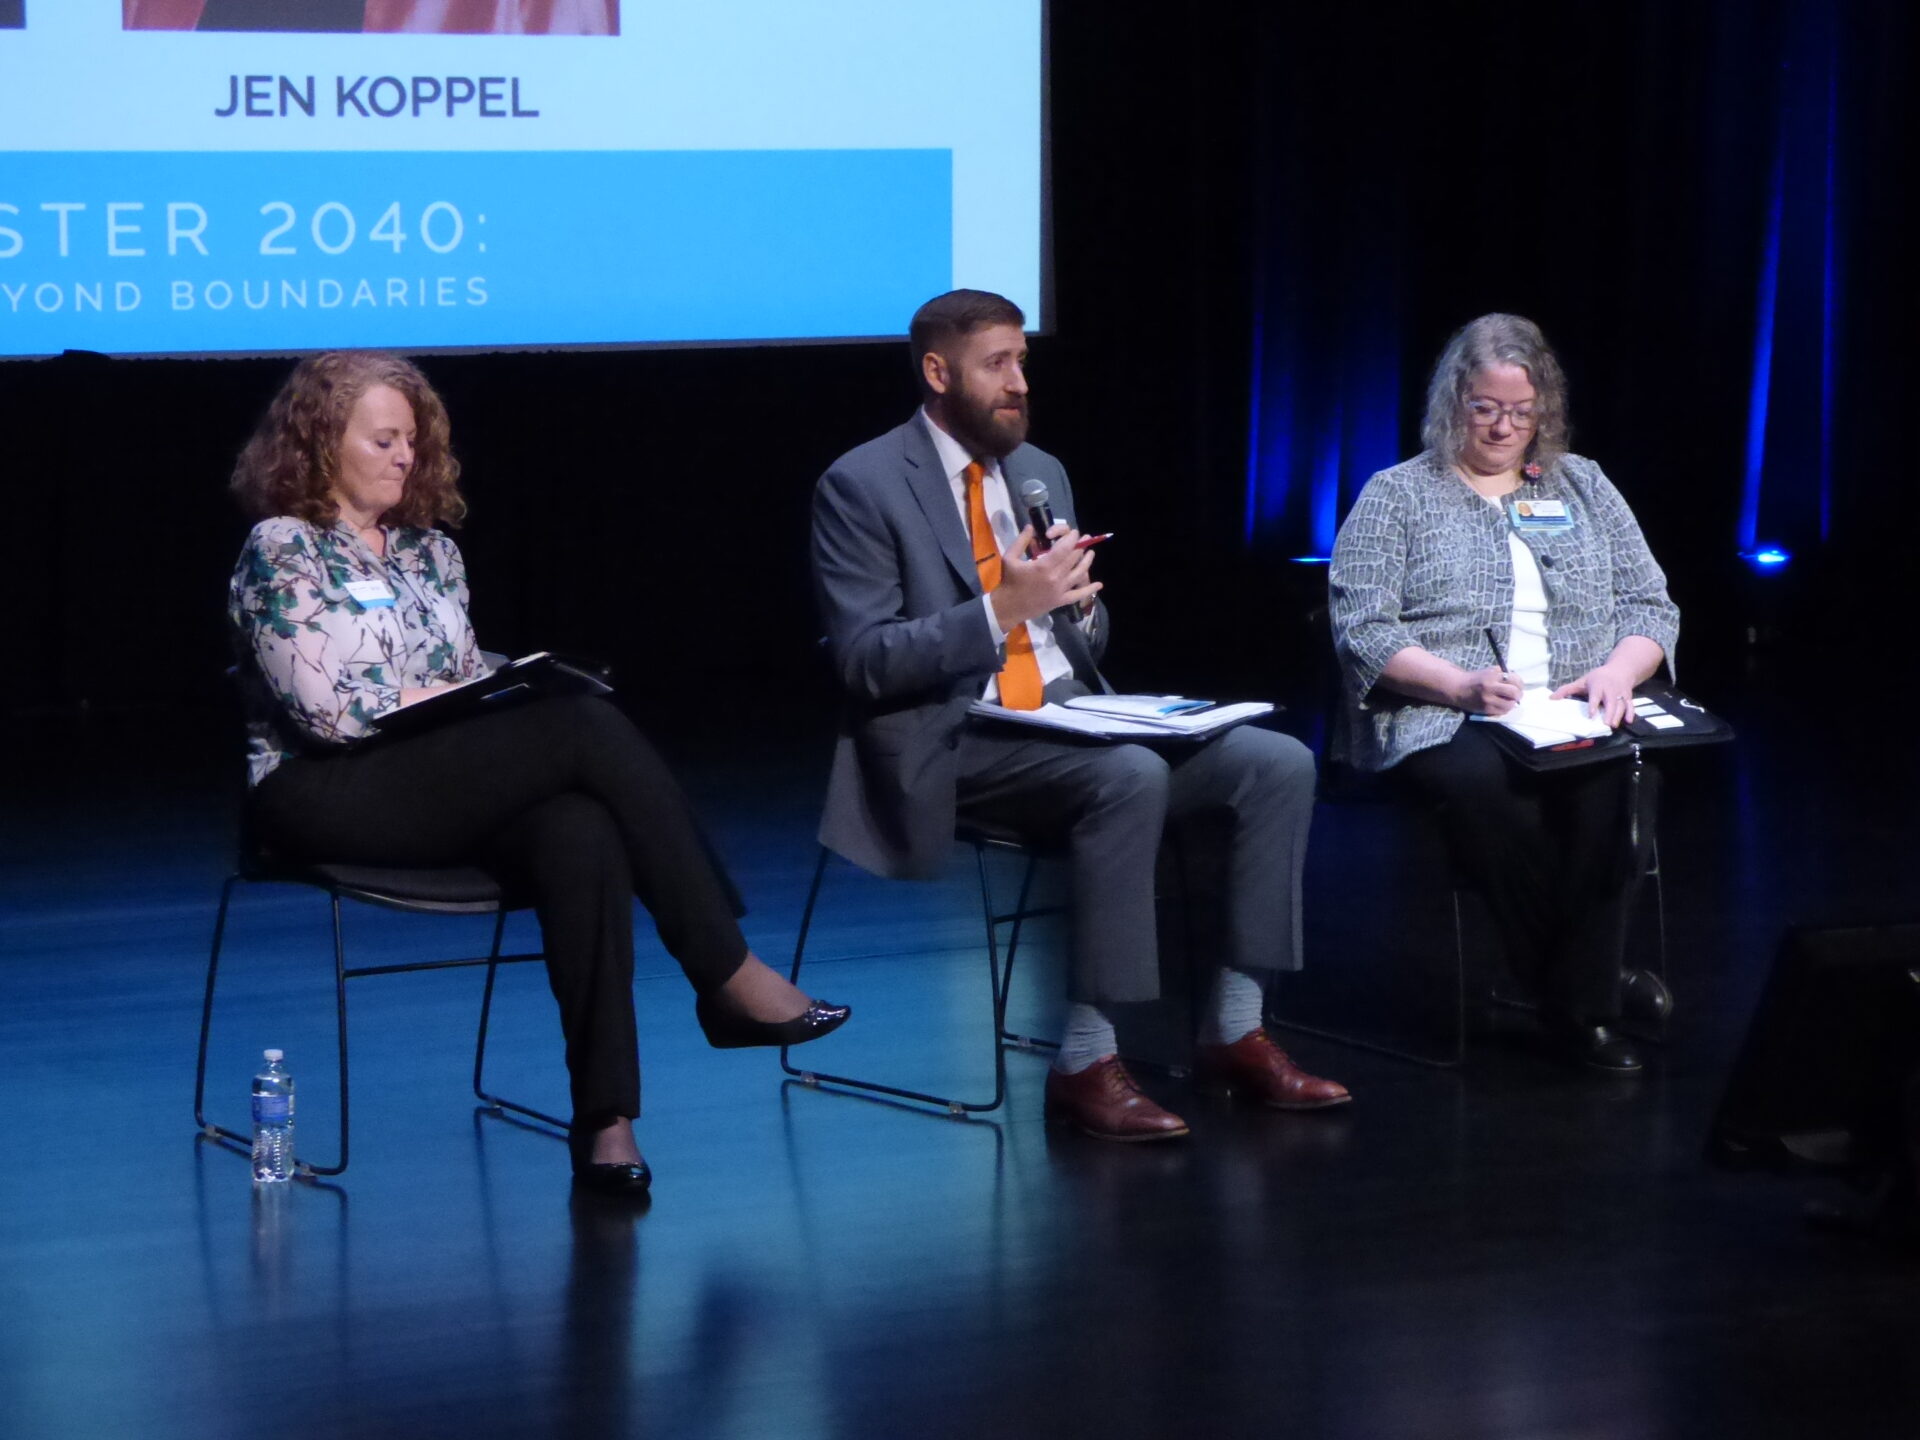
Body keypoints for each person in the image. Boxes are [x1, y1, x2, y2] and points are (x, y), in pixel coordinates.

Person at [226, 351, 846, 1195]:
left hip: (427, 779)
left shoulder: (431, 553)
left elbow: (452, 670)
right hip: (318, 792)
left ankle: (606, 1122)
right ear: (322, 444)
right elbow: (329, 714)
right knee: (581, 730)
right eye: (383, 439)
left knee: (579, 828)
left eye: (413, 440)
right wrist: (447, 690)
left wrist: (496, 680)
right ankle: (726, 972)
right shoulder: (283, 548)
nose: (405, 456)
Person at [810, 289, 1348, 1142]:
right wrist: (1000, 610)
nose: (1020, 381)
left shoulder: (1040, 473)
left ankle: (1234, 1030)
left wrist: (1078, 606)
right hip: (955, 737)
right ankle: (1086, 1062)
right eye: (998, 364)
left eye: (1023, 361)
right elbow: (865, 661)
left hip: (1069, 719)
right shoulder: (862, 483)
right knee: (1127, 776)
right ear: (938, 372)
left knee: (1276, 761)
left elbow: (1076, 635)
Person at [1329, 313, 1680, 1073]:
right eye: (1485, 408)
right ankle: (1585, 999)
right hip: (1442, 711)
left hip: (1573, 703)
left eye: (1521, 412)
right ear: (1453, 402)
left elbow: (1652, 605)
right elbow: (1362, 627)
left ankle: (1574, 994)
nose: (1501, 426)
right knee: (1487, 791)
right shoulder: (1397, 495)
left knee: (1620, 783)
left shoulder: (1582, 483)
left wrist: (1620, 671)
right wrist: (1460, 683)